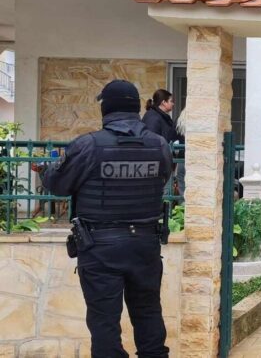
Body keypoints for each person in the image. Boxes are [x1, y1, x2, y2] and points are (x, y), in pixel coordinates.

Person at [43, 79, 173, 358]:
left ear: (107, 108)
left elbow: (57, 185)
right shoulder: (159, 144)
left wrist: (47, 170)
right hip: (145, 245)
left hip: (99, 247)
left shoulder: (88, 145)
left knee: (104, 322)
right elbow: (163, 177)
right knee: (149, 312)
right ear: (135, 108)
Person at [174, 108, 186, 203]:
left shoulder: (180, 121)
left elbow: (175, 137)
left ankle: (182, 206)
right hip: (195, 157)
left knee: (182, 182)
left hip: (182, 156)